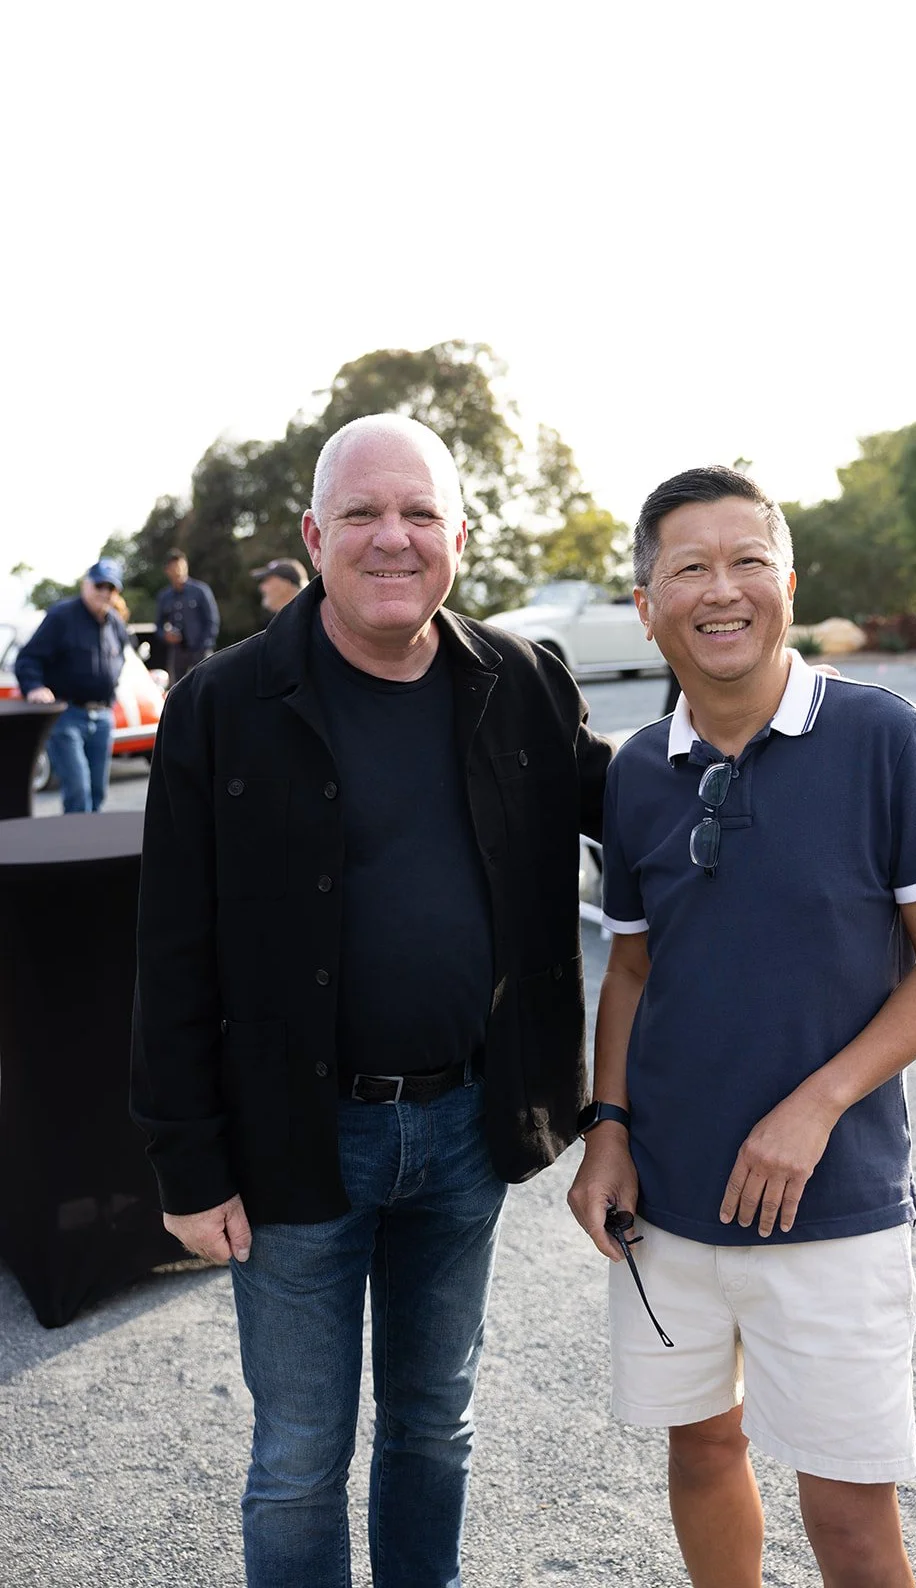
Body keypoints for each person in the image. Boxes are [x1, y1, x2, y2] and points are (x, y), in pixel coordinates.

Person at [131, 413, 612, 1588]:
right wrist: (187, 1167)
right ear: (313, 531)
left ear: (459, 534)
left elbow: (645, 812)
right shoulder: (223, 704)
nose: (390, 538)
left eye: (417, 514)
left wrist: (808, 758)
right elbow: (171, 948)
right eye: (360, 514)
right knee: (298, 1452)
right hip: (297, 1143)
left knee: (431, 1425)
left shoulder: (522, 681)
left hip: (464, 1131)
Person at [568, 465, 916, 1588]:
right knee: (702, 1448)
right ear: (648, 601)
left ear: (787, 583)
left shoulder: (880, 735)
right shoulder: (636, 776)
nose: (721, 588)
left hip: (833, 1200)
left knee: (848, 1520)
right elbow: (630, 969)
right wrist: (606, 1127)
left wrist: (813, 1105)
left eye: (746, 560)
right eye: (688, 566)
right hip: (668, 1203)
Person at [15, 558, 128, 813]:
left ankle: (94, 847)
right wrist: (34, 687)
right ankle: (77, 849)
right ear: (85, 584)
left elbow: (121, 658)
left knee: (98, 792)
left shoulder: (115, 624)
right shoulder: (61, 617)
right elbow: (28, 658)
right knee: (78, 790)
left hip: (102, 717)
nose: (103, 592)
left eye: (110, 588)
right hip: (68, 716)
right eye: (99, 585)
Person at [154, 548, 220, 680]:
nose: (178, 571)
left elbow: (212, 620)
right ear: (167, 571)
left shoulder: (200, 591)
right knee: (177, 689)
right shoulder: (164, 596)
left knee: (206, 686)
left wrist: (204, 645)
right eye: (173, 567)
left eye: (180, 566)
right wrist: (166, 636)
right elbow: (159, 625)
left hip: (201, 650)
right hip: (178, 652)